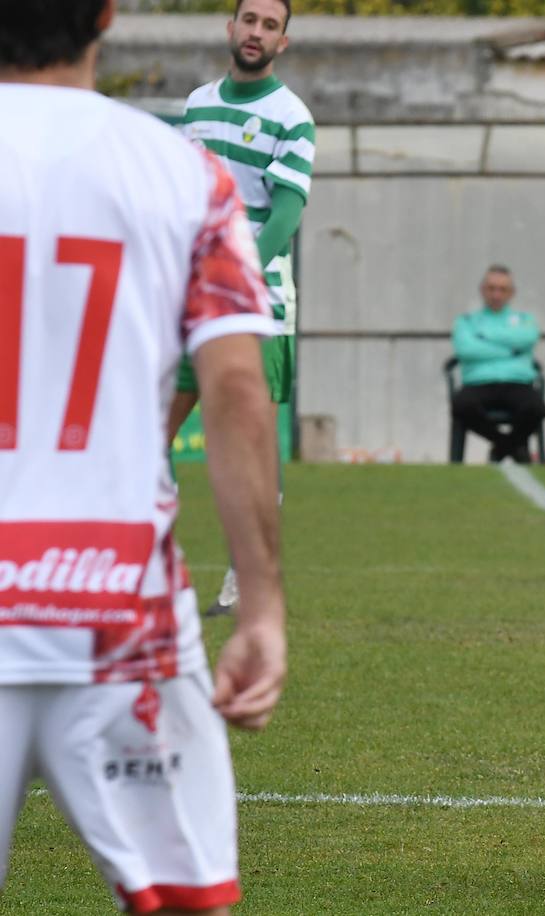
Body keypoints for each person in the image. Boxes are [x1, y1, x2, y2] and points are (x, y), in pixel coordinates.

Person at [0, 2, 288, 913]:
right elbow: (238, 389)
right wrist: (263, 608)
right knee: (184, 902)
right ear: (108, 13)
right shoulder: (183, 175)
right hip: (119, 606)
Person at [173, 0, 313, 615]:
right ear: (230, 28)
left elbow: (286, 213)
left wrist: (233, 275)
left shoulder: (293, 117)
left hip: (259, 307)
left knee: (249, 450)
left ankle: (245, 581)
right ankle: (149, 568)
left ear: (283, 42)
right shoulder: (198, 105)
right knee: (148, 431)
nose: (256, 32)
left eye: (269, 25)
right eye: (248, 20)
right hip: (192, 302)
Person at [450, 265, 545, 464]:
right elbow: (466, 350)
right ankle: (510, 446)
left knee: (536, 408)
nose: (496, 294)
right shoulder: (466, 321)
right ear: (482, 290)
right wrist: (511, 350)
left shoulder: (524, 320)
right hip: (478, 382)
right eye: (491, 288)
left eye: (502, 289)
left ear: (511, 293)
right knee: (461, 405)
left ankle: (501, 449)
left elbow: (528, 338)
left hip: (517, 382)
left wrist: (484, 336)